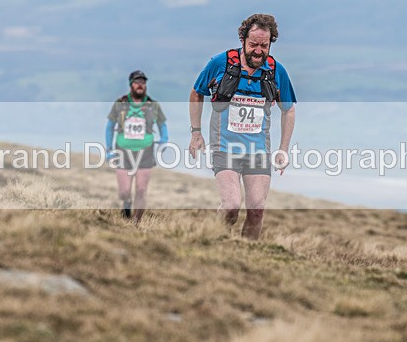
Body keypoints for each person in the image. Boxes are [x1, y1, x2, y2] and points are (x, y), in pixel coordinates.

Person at [188, 14, 297, 239]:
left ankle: (247, 256)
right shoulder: (221, 63)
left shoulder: (276, 71)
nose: (258, 51)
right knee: (231, 206)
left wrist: (283, 149)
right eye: (253, 45)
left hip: (258, 151)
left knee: (256, 210)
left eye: (264, 46)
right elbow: (197, 93)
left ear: (271, 43)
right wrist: (196, 133)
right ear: (243, 41)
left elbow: (289, 109)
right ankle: (212, 243)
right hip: (224, 147)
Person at [105, 70, 168, 222]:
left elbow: (162, 124)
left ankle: (136, 222)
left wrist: (164, 138)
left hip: (146, 151)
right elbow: (109, 126)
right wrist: (109, 150)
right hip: (123, 151)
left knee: (141, 189)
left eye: (143, 82)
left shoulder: (153, 105)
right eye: (137, 82)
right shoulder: (120, 104)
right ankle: (126, 204)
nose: (140, 85)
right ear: (131, 85)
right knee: (124, 191)